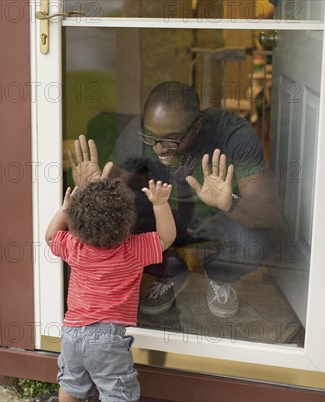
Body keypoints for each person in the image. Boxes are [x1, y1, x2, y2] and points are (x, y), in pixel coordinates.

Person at [69, 81, 283, 319]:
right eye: (152, 138)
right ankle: (168, 272)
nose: (159, 149)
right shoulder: (139, 131)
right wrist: (92, 190)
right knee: (116, 226)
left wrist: (228, 202)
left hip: (218, 221)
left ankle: (220, 275)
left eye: (171, 139)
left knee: (254, 244)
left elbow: (269, 213)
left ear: (197, 126)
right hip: (165, 220)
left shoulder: (234, 135)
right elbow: (113, 193)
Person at [45, 177, 176, 402]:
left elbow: (50, 237)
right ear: (127, 220)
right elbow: (166, 238)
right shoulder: (133, 249)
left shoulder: (75, 246)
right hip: (107, 338)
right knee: (117, 393)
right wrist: (160, 205)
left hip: (72, 333)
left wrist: (64, 210)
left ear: (76, 221)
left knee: (71, 384)